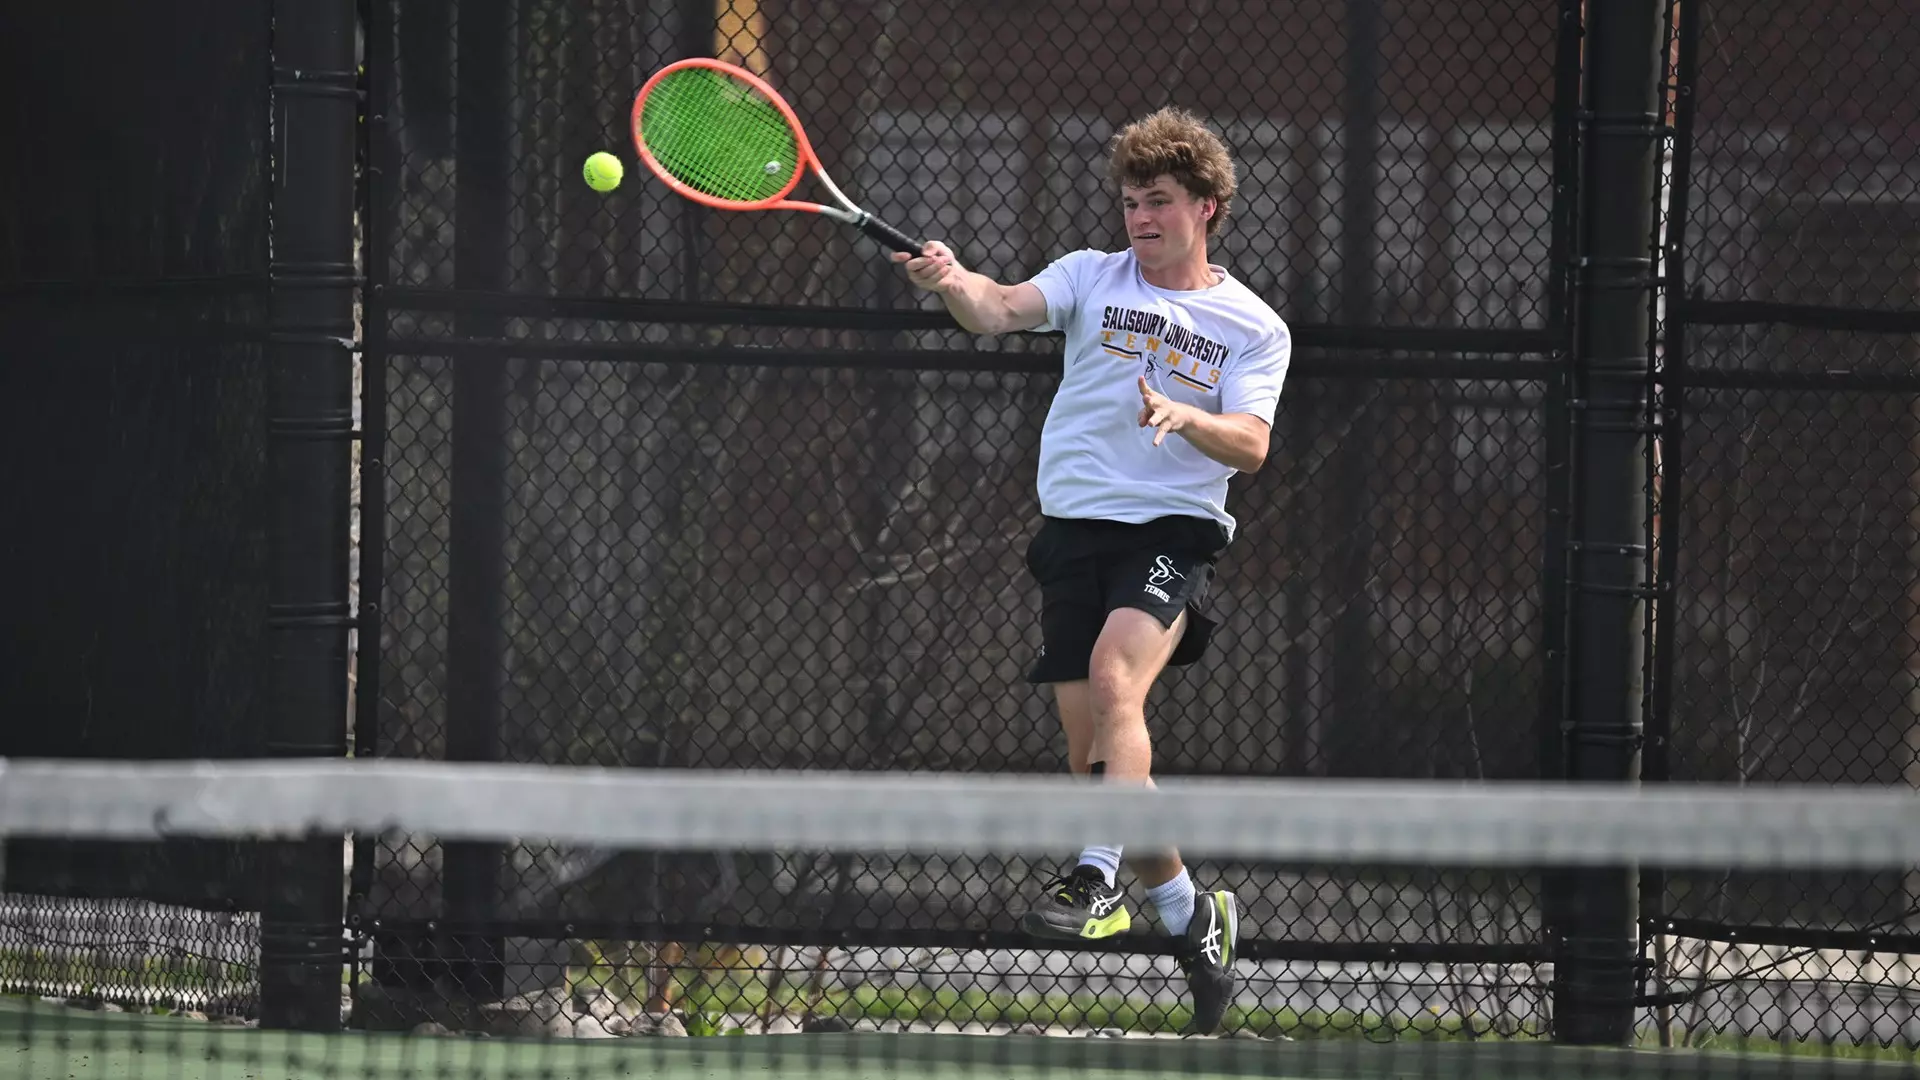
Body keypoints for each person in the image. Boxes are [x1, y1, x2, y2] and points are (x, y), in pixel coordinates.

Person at [890, 106, 1291, 1035]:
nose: (1140, 219)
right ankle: (1196, 919)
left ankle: (1097, 874)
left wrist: (1187, 418)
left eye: (1158, 203)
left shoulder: (1249, 326)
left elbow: (1255, 445)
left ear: (1209, 208)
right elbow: (994, 309)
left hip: (1174, 530)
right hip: (1073, 532)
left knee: (1118, 679)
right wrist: (951, 279)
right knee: (1099, 759)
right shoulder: (1087, 278)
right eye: (1130, 203)